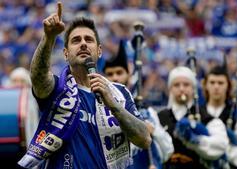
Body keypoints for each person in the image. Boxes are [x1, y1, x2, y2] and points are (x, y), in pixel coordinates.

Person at [18, 2, 151, 169]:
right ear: (66, 53)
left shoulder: (119, 93)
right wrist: (49, 38)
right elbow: (38, 78)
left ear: (99, 51)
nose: (83, 44)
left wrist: (114, 106)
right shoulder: (59, 88)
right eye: (76, 40)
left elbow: (144, 140)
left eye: (89, 39)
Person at [102, 39, 174, 169]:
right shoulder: (97, 108)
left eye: (119, 72)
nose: (115, 78)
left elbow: (168, 149)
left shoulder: (145, 111)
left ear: (129, 75)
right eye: (110, 74)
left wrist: (154, 131)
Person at [158, 66, 229, 169]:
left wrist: (196, 140)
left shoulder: (206, 117)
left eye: (186, 84)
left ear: (193, 88)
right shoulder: (159, 117)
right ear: (170, 89)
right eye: (176, 85)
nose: (181, 89)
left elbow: (220, 146)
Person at [201, 65, 237, 168]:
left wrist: (221, 151)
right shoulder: (196, 114)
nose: (216, 87)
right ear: (205, 85)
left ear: (228, 86)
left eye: (220, 83)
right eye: (212, 82)